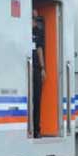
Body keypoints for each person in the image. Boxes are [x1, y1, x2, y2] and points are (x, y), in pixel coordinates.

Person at [32, 9, 46, 138]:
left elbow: (39, 49)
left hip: (35, 68)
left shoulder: (38, 32)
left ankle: (36, 129)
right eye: (33, 19)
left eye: (36, 20)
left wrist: (42, 68)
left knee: (36, 99)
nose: (35, 22)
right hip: (25, 69)